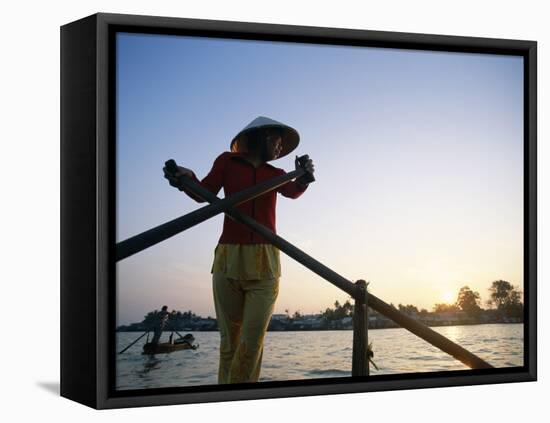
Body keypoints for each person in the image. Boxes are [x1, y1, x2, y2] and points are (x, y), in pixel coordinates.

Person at [164, 116, 314, 384]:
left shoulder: (276, 175)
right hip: (228, 259)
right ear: (262, 138)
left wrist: (304, 177)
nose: (280, 148)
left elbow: (293, 191)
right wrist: (185, 179)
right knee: (229, 344)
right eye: (277, 141)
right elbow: (204, 192)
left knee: (251, 343)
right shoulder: (227, 162)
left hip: (265, 261)